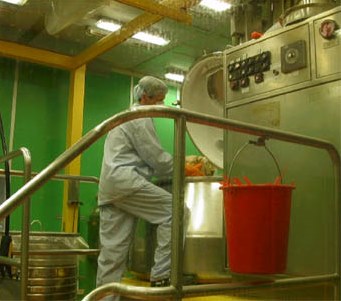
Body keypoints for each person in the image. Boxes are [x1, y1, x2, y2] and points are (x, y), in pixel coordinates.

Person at [96, 76, 176, 300]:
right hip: (126, 183)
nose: (160, 106)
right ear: (145, 97)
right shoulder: (139, 117)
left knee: (112, 256)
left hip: (111, 188)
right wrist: (183, 166)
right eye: (158, 101)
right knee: (175, 211)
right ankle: (161, 277)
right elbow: (157, 159)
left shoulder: (125, 117)